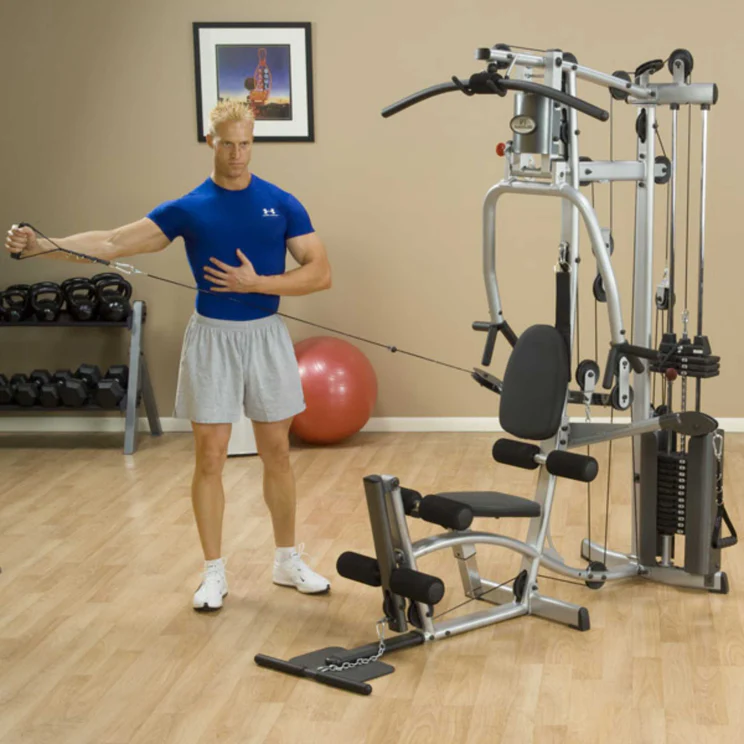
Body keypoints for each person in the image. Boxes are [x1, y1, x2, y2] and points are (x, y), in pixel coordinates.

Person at [4, 100, 333, 611]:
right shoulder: (190, 207)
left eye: (245, 144)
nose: (237, 154)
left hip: (266, 335)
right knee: (210, 457)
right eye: (228, 144)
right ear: (211, 141)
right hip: (212, 338)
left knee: (277, 454)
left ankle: (287, 561)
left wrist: (257, 283)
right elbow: (112, 242)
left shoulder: (281, 203)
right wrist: (41, 245)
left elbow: (320, 273)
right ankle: (213, 572)